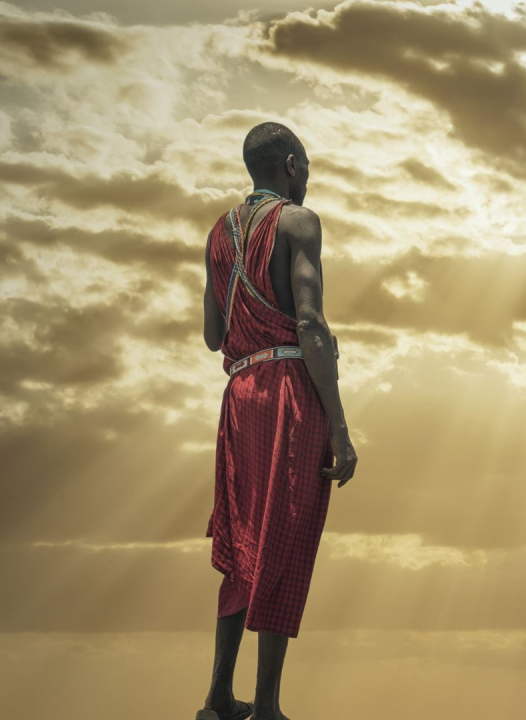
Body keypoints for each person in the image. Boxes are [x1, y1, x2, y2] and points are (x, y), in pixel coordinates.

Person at [196, 122, 358, 720]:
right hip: (290, 388)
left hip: (239, 394)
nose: (308, 181)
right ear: (291, 165)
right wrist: (339, 426)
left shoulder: (218, 233)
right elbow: (310, 322)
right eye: (307, 169)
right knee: (285, 540)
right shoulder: (297, 223)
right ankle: (266, 705)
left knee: (244, 545)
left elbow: (215, 337)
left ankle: (217, 698)